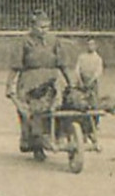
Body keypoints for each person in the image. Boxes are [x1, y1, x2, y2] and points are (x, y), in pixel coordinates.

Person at [5, 9, 71, 153]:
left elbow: (63, 64)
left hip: (52, 79)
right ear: (33, 26)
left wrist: (70, 83)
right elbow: (15, 66)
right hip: (29, 81)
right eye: (41, 27)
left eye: (46, 27)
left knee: (58, 107)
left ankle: (58, 136)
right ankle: (33, 142)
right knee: (31, 112)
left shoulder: (54, 40)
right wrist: (9, 86)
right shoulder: (23, 41)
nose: (44, 30)